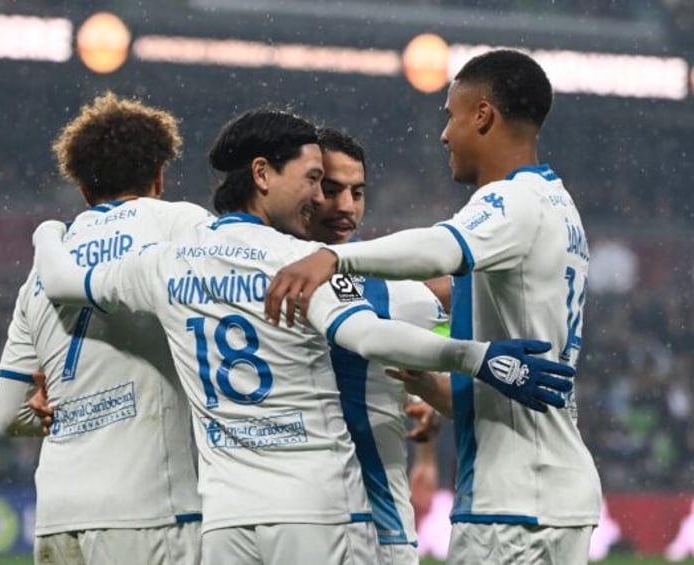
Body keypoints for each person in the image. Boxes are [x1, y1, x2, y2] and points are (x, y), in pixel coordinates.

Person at [30, 107, 575, 565]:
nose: (324, 199)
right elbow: (368, 335)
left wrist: (48, 230)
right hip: (318, 506)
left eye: (346, 189)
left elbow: (60, 281)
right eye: (315, 181)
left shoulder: (168, 262)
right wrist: (479, 358)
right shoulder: (301, 262)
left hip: (227, 517)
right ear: (263, 174)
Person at [264, 50, 602, 564]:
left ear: (483, 115)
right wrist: (433, 387)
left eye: (451, 116)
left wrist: (334, 258)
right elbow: (512, 375)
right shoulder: (559, 205)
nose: (444, 135)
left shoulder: (514, 200)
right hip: (549, 491)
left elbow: (438, 248)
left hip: (512, 506)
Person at [0, 92, 210, 565]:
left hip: (58, 515)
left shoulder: (44, 266)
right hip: (150, 510)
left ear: (84, 190)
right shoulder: (180, 223)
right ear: (159, 175)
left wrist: (52, 413)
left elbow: (9, 415)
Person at [312, 127, 446, 565]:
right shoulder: (261, 265)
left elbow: (438, 350)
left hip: (376, 527)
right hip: (286, 516)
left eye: (357, 192)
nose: (346, 207)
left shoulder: (398, 288)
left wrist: (426, 429)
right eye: (331, 190)